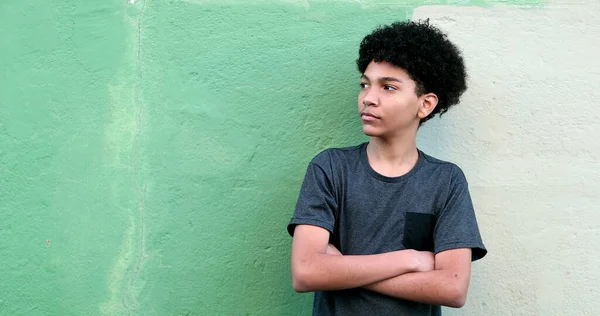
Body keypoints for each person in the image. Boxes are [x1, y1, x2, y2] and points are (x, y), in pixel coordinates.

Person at [287, 20, 487, 316]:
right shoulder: (330, 168)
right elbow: (305, 273)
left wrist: (340, 269)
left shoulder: (446, 181)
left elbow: (452, 288)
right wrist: (411, 260)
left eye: (388, 87)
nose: (368, 97)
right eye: (365, 84)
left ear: (425, 104)